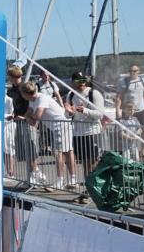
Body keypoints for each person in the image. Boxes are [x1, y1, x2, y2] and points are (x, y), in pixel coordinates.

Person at [22, 81, 77, 191]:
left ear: (25, 93)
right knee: (66, 151)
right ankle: (71, 179)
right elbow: (33, 121)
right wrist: (29, 116)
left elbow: (36, 116)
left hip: (61, 125)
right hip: (58, 126)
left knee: (60, 153)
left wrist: (29, 116)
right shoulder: (32, 101)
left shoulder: (41, 98)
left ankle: (61, 181)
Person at [64, 71, 105, 202]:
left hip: (92, 132)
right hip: (78, 133)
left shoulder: (94, 93)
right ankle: (89, 189)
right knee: (85, 164)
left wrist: (85, 110)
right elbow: (67, 115)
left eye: (82, 80)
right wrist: (70, 113)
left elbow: (100, 114)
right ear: (73, 82)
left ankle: (94, 191)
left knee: (93, 163)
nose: (80, 83)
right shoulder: (70, 95)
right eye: (77, 81)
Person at [7, 67, 41, 184]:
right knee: (25, 149)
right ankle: (33, 173)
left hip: (27, 120)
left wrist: (26, 116)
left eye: (10, 76)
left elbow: (31, 103)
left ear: (12, 77)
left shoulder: (24, 87)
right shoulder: (11, 90)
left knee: (31, 147)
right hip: (18, 120)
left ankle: (34, 174)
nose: (9, 79)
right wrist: (14, 114)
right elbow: (15, 106)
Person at [116, 64, 144, 134]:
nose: (132, 72)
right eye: (130, 71)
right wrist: (118, 111)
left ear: (139, 71)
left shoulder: (142, 81)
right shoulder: (123, 81)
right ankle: (129, 144)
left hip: (141, 110)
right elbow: (119, 97)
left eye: (135, 71)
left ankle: (143, 145)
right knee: (126, 132)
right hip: (128, 111)